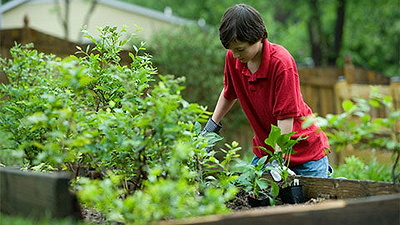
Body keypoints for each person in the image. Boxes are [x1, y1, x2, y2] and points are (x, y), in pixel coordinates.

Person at [203, 4, 332, 178]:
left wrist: (277, 163)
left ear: (258, 37)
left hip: (305, 155)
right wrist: (209, 129)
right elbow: (229, 92)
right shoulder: (234, 59)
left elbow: (285, 117)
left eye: (240, 49)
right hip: (267, 153)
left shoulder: (280, 62)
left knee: (317, 201)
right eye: (231, 50)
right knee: (251, 196)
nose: (235, 55)